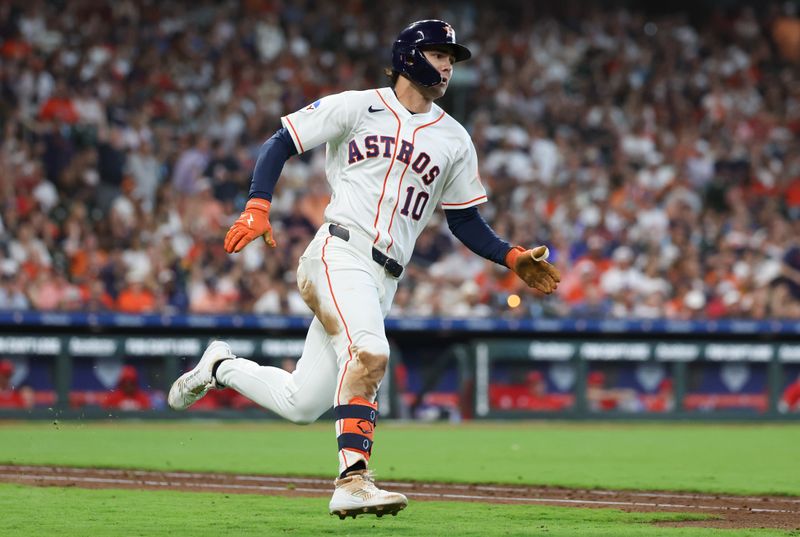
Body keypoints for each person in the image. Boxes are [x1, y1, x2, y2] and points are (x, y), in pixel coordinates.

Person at [167, 19, 560, 519]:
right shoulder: (359, 104)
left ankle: (219, 366)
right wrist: (257, 205)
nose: (446, 65)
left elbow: (464, 219)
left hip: (384, 279)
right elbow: (281, 141)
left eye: (451, 58)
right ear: (409, 56)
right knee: (370, 352)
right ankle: (353, 479)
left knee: (301, 403)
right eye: (439, 53)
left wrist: (508, 256)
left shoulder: (455, 139)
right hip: (339, 252)